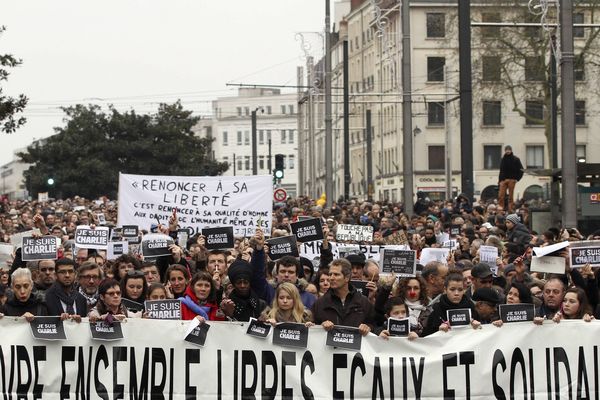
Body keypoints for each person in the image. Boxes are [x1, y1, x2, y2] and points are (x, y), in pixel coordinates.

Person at [311, 258, 375, 335]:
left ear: (347, 277)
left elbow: (375, 326)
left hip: (355, 346)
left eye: (336, 274)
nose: (331, 278)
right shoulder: (320, 303)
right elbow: (312, 329)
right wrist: (321, 327)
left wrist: (368, 327)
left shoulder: (363, 302)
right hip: (329, 346)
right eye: (330, 274)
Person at [423, 271, 480, 336]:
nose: (456, 293)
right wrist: (438, 331)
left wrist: (478, 327)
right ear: (445, 289)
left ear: (464, 290)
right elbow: (427, 337)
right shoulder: (437, 310)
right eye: (452, 289)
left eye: (460, 290)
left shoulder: (471, 308)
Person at [498, 145, 524, 212]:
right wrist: (500, 180)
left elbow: (521, 170)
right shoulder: (503, 159)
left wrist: (517, 178)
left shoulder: (516, 159)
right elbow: (501, 170)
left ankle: (510, 208)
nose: (507, 151)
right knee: (501, 195)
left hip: (512, 179)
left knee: (510, 196)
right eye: (506, 150)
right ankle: (501, 208)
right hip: (504, 179)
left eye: (509, 150)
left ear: (511, 150)